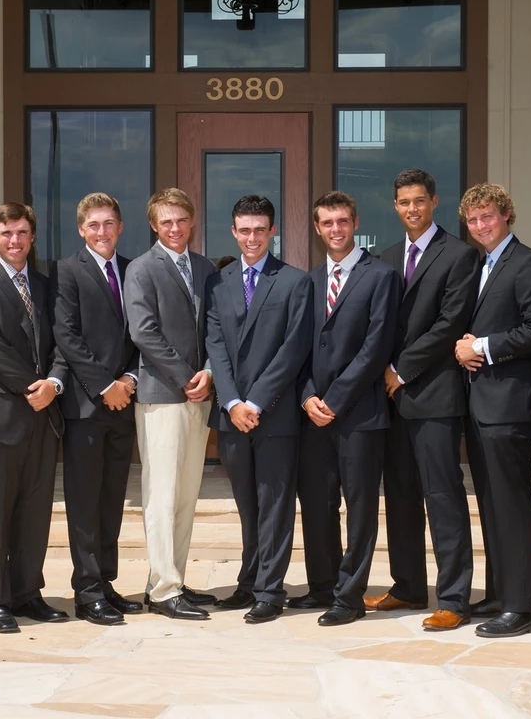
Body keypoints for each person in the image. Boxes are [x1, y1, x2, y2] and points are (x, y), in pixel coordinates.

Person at [376, 169, 480, 631]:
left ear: (434, 202)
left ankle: (454, 597)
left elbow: (449, 323)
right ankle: (407, 586)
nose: (412, 209)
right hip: (391, 401)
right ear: (395, 206)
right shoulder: (387, 257)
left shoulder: (459, 255)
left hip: (434, 396)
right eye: (404, 202)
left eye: (420, 200)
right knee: (399, 496)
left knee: (443, 497)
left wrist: (400, 369)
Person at [205, 194, 314, 624]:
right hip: (232, 417)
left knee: (275, 504)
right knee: (247, 504)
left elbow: (294, 348)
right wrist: (231, 402)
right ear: (233, 232)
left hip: (274, 414)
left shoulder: (294, 281)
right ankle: (249, 581)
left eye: (259, 229)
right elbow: (216, 345)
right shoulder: (219, 282)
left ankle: (271, 589)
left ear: (273, 232)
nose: (251, 237)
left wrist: (254, 402)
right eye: (243, 230)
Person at [454, 182, 531, 638]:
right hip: (480, 406)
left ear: (506, 215)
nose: (480, 226)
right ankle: (498, 593)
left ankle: (521, 606)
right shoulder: (482, 264)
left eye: (488, 217)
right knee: (492, 505)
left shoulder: (528, 263)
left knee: (512, 505)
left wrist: (485, 347)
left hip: (509, 408)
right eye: (473, 220)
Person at [294, 191, 399, 626]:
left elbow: (376, 349)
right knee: (317, 503)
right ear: (317, 229)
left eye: (342, 221)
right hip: (313, 412)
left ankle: (349, 596)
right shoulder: (310, 280)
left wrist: (334, 400)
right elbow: (296, 348)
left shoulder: (382, 277)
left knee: (358, 508)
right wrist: (307, 396)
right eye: (327, 223)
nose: (335, 229)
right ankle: (322, 585)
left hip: (360, 413)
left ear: (355, 223)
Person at [0, 202, 67, 633]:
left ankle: (27, 592)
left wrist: (55, 383)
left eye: (22, 233)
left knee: (35, 511)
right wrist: (33, 387)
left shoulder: (46, 286)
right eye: (6, 233)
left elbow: (64, 340)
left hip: (44, 418)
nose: (15, 240)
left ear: (32, 236)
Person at [124, 188, 218, 620]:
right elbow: (143, 333)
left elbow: (218, 329)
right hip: (163, 397)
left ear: (191, 220)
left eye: (181, 220)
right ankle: (163, 591)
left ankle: (171, 578)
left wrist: (210, 375)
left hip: (200, 396)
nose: (175, 228)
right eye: (166, 222)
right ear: (153, 225)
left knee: (185, 495)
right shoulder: (142, 270)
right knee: (161, 496)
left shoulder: (203, 267)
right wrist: (187, 378)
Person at [52, 193, 143, 626]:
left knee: (111, 502)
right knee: (85, 504)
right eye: (94, 225)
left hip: (123, 404)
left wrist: (127, 380)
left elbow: (140, 333)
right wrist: (104, 384)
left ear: (120, 227)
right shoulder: (67, 271)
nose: (102, 232)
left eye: (109, 223)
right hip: (86, 407)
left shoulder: (133, 270)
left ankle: (106, 582)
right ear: (81, 229)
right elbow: (67, 336)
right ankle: (86, 593)